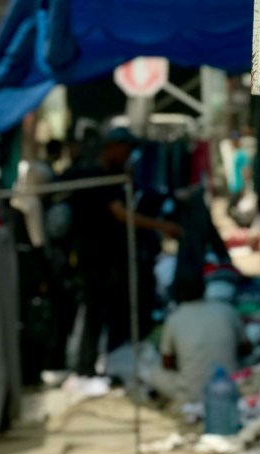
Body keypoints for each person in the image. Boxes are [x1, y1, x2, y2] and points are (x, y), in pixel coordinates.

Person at [73, 127, 182, 377]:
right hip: (96, 258)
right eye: (126, 150)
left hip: (109, 256)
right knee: (96, 312)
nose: (128, 155)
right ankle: (86, 367)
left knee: (111, 310)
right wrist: (161, 226)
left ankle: (108, 360)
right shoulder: (100, 177)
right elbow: (120, 214)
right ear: (113, 147)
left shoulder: (114, 175)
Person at [157, 273, 249, 405]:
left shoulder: (175, 317)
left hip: (191, 394)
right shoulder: (226, 309)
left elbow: (166, 363)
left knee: (155, 372)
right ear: (204, 288)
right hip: (229, 387)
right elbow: (247, 348)